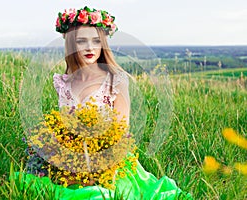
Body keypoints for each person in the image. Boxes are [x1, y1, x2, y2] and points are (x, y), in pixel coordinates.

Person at [15, 6, 192, 200]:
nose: (90, 47)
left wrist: (96, 159)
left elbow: (122, 130)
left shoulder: (115, 80)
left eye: (96, 41)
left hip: (108, 156)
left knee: (103, 194)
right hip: (71, 156)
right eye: (82, 41)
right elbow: (63, 125)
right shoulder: (64, 82)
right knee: (40, 183)